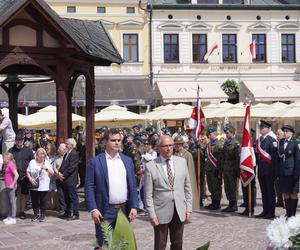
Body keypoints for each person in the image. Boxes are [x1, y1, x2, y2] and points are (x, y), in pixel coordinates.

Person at [85, 128, 139, 250]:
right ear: (105, 142)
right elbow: (89, 186)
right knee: (104, 245)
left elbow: (132, 185)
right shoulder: (96, 162)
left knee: (123, 244)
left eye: (119, 140)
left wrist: (134, 206)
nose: (117, 143)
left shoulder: (127, 160)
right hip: (105, 211)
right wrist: (93, 209)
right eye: (113, 140)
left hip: (124, 210)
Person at [144, 135, 193, 250]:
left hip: (179, 209)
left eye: (170, 145)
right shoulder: (151, 166)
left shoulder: (181, 162)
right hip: (161, 212)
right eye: (165, 146)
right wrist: (152, 214)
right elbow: (148, 195)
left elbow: (187, 187)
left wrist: (189, 209)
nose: (168, 148)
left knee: (177, 244)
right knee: (160, 245)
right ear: (159, 148)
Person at [9, 133, 34, 219]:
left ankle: (22, 211)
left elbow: (32, 163)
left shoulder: (28, 150)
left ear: (23, 141)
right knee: (13, 194)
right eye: (17, 140)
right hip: (14, 176)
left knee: (24, 194)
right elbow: (8, 162)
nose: (19, 142)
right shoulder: (11, 150)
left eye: (20, 140)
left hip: (25, 176)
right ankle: (13, 212)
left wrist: (31, 175)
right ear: (15, 141)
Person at [276, 125, 300, 217]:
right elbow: (278, 158)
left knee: (293, 193)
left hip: (292, 171)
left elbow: (298, 159)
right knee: (285, 192)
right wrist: (278, 172)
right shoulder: (280, 142)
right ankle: (288, 212)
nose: (285, 133)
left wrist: (296, 173)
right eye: (284, 131)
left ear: (292, 133)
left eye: (287, 131)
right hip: (283, 172)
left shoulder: (295, 143)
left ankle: (293, 214)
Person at [255, 120, 276, 219]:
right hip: (261, 170)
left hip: (269, 170)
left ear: (268, 129)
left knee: (270, 191)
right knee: (264, 191)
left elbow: (274, 157)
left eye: (263, 128)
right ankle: (265, 210)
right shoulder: (258, 140)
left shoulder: (272, 140)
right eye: (261, 128)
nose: (261, 129)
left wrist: (274, 171)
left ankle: (271, 212)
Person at [27, 147, 54, 222]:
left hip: (44, 184)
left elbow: (52, 173)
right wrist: (31, 179)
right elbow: (28, 172)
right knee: (34, 200)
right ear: (37, 155)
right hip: (34, 184)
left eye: (43, 154)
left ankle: (43, 215)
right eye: (40, 154)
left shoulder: (47, 162)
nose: (42, 155)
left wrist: (45, 168)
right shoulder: (32, 162)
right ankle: (36, 214)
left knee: (43, 200)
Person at [174, 136, 200, 211]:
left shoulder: (187, 155)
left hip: (184, 179)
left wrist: (189, 182)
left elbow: (190, 170)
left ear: (182, 144)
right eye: (176, 144)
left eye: (179, 144)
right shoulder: (173, 154)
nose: (178, 146)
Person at [220, 124, 240, 213]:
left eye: (227, 133)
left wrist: (237, 170)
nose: (226, 134)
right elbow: (223, 156)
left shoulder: (236, 143)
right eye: (226, 133)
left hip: (233, 169)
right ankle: (230, 203)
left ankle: (234, 204)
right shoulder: (226, 143)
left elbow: (238, 158)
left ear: (232, 132)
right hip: (226, 168)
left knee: (233, 187)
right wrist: (222, 169)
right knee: (227, 187)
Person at [58, 138, 80, 220]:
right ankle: (68, 212)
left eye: (67, 143)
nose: (65, 145)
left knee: (73, 197)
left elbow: (71, 168)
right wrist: (59, 173)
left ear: (71, 145)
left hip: (70, 180)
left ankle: (76, 214)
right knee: (66, 197)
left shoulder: (74, 154)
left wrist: (63, 175)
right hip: (65, 179)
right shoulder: (67, 154)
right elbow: (63, 165)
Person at [204, 125, 223, 210]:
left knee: (216, 186)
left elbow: (220, 158)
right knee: (211, 186)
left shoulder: (219, 144)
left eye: (210, 134)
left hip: (215, 168)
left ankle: (217, 202)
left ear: (215, 134)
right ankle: (213, 201)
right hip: (208, 169)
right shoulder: (208, 144)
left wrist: (218, 169)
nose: (208, 135)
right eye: (208, 134)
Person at [1, 152, 18, 225]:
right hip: (7, 186)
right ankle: (9, 216)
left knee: (12, 202)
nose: (3, 159)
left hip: (11, 186)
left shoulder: (11, 165)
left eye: (4, 158)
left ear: (8, 158)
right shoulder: (7, 165)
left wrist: (13, 184)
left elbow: (17, 175)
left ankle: (13, 217)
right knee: (9, 202)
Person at [53, 143, 66, 213]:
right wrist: (58, 174)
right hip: (58, 178)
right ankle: (62, 208)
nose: (58, 150)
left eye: (60, 149)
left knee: (66, 193)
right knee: (60, 193)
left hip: (65, 178)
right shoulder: (56, 158)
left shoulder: (67, 157)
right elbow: (54, 167)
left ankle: (67, 208)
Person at [275, 128, 284, 207]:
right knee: (277, 185)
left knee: (284, 186)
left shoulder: (285, 143)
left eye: (279, 134)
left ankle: (284, 202)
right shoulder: (276, 142)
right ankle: (279, 200)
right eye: (276, 134)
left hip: (283, 168)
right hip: (276, 168)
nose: (277, 136)